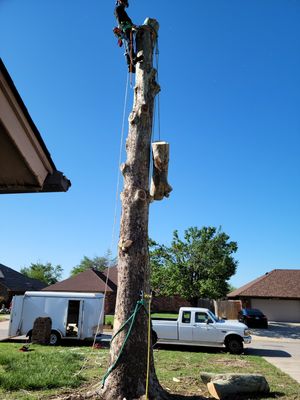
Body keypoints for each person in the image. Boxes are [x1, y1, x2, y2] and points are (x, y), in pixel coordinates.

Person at [114, 0, 140, 73]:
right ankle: (132, 59)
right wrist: (121, 28)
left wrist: (133, 25)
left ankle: (130, 65)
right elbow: (119, 19)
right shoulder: (118, 9)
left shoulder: (122, 11)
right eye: (124, 4)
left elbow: (128, 21)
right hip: (125, 28)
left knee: (129, 43)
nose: (125, 6)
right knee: (129, 43)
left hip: (126, 27)